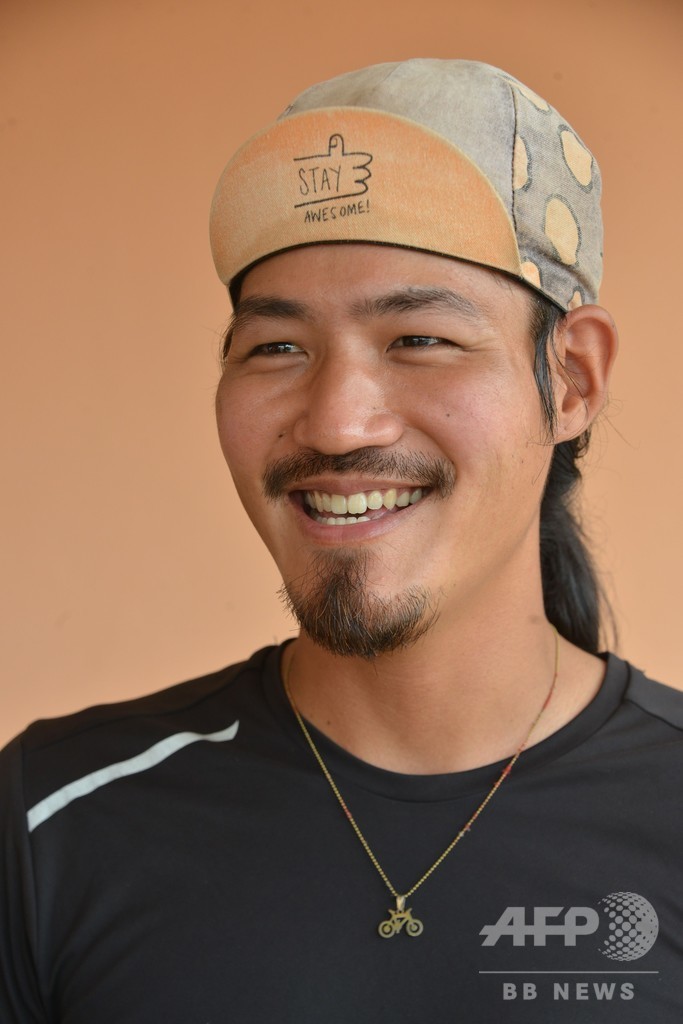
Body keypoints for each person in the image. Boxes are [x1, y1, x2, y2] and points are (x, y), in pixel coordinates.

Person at [1, 59, 681, 1023]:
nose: (335, 423)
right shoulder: (52, 819)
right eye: (276, 347)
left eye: (419, 339)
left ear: (570, 379)